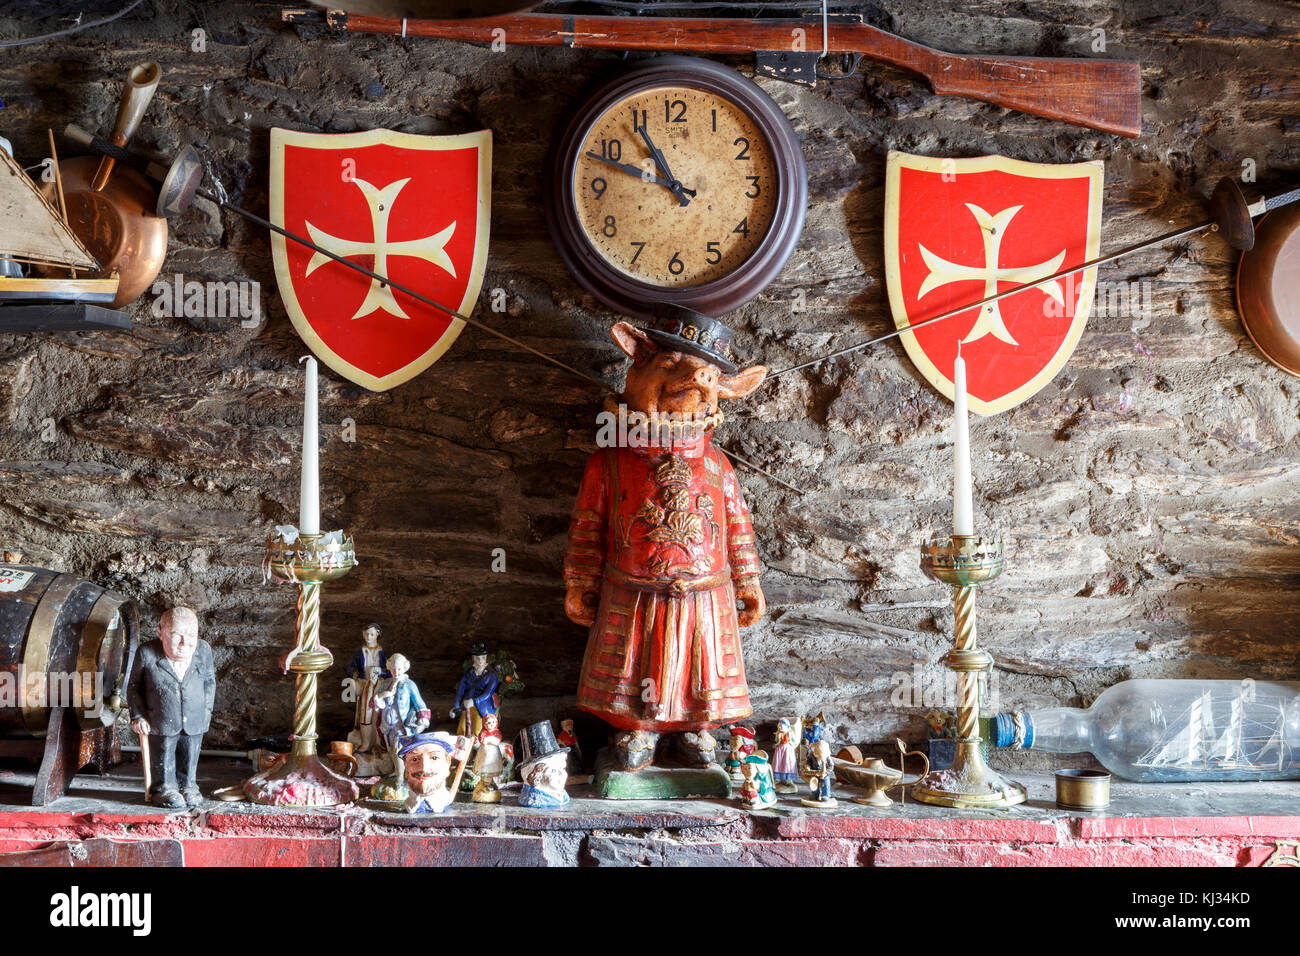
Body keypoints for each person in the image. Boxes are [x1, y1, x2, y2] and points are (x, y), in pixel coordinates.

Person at [127, 607, 216, 809]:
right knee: (164, 754)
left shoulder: (203, 651)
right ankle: (164, 789)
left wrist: (207, 711)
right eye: (177, 636)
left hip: (194, 718)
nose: (185, 643)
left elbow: (210, 682)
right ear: (161, 632)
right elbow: (133, 688)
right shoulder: (147, 653)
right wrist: (138, 715)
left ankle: (188, 786)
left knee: (190, 753)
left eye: (192, 635)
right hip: (161, 719)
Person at [344, 623, 388, 754]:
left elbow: (390, 670)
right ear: (363, 635)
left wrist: (380, 671)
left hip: (379, 685)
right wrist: (354, 675)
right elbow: (349, 667)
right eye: (367, 634)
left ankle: (378, 743)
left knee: (378, 713)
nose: (369, 636)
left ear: (377, 635)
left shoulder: (382, 652)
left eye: (372, 634)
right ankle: (365, 743)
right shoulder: (360, 652)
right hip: (364, 683)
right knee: (365, 712)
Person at [450, 641, 500, 738]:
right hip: (466, 706)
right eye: (477, 658)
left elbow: (488, 694)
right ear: (473, 658)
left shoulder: (492, 675)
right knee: (462, 729)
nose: (480, 661)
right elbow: (461, 690)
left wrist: (474, 701)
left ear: (486, 658)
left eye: (483, 657)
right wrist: (456, 705)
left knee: (477, 731)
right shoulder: (469, 673)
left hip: (482, 707)